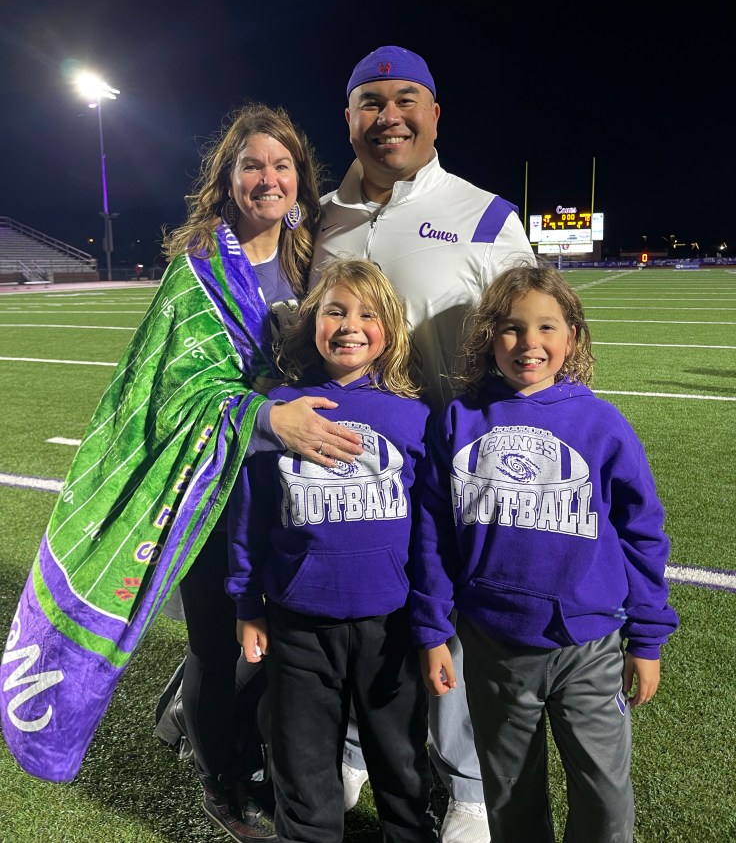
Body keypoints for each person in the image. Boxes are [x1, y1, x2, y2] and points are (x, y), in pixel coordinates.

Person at [0, 102, 362, 843]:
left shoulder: (314, 260)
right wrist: (266, 419)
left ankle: (241, 743)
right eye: (252, 165)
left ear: (301, 179)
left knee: (286, 635)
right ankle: (221, 777)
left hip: (293, 491)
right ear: (228, 178)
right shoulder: (197, 270)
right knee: (216, 643)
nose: (268, 178)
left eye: (283, 165)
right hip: (211, 489)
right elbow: (171, 391)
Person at [310, 44, 536, 843]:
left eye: (407, 99)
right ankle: (352, 746)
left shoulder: (486, 216)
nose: (389, 116)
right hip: (351, 462)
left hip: (453, 464)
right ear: (348, 118)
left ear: (435, 113)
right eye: (371, 102)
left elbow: (533, 340)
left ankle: (467, 783)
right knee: (356, 606)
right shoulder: (319, 220)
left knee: (456, 620)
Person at [410, 263, 679, 842]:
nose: (528, 342)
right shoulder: (460, 420)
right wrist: (432, 630)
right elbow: (432, 533)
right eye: (511, 328)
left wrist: (647, 638)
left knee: (605, 797)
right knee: (511, 797)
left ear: (572, 337)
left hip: (589, 645)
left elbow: (642, 534)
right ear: (489, 338)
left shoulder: (602, 423)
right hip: (493, 644)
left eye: (546, 327)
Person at [226, 257, 439, 843]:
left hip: (390, 623)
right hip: (298, 621)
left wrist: (432, 624)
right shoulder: (281, 409)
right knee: (302, 760)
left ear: (390, 329)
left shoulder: (413, 416)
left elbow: (430, 533)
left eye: (368, 314)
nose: (350, 326)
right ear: (312, 322)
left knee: (400, 758)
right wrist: (247, 604)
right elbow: (250, 517)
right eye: (335, 311)